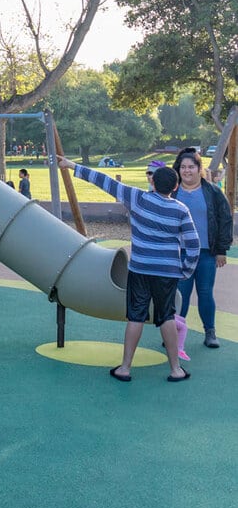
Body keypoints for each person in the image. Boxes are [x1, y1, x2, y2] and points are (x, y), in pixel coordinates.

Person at [65, 157, 197, 382]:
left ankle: (125, 367)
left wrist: (72, 165)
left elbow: (104, 182)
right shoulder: (181, 209)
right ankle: (175, 369)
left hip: (140, 268)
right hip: (167, 271)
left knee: (136, 315)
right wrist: (184, 270)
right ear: (175, 187)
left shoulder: (137, 198)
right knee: (166, 316)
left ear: (153, 183)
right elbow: (193, 245)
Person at [173, 148, 232, 353]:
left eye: (191, 167)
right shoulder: (172, 191)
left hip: (206, 253)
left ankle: (210, 332)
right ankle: (174, 333)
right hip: (180, 253)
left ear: (199, 169)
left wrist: (221, 249)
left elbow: (225, 220)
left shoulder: (212, 192)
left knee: (205, 292)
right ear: (178, 170)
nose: (187, 170)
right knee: (182, 294)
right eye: (183, 167)